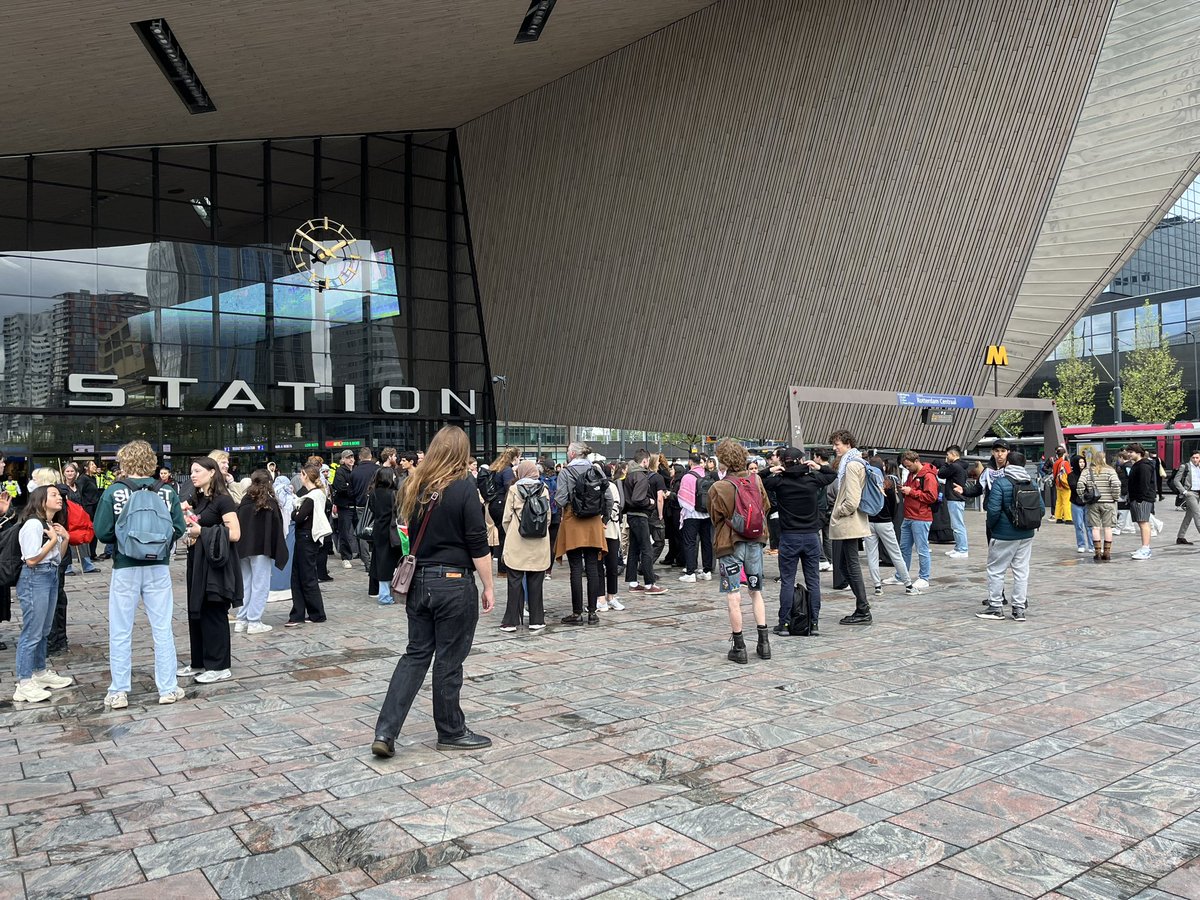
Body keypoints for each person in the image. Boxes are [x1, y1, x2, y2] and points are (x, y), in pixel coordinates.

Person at [372, 425, 495, 758]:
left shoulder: (414, 485)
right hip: (454, 582)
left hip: (420, 583)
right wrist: (489, 585)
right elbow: (477, 542)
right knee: (449, 660)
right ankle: (451, 731)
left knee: (415, 655)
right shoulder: (464, 487)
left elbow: (404, 535)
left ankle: (385, 731)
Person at [93, 440, 187, 709]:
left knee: (121, 629)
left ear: (124, 462)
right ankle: (168, 687)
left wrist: (126, 541)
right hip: (158, 566)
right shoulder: (166, 491)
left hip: (126, 566)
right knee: (162, 627)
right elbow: (178, 528)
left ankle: (119, 690)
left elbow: (102, 532)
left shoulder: (114, 491)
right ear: (152, 462)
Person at [706, 438, 771, 664]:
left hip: (730, 544)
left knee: (733, 594)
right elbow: (765, 506)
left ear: (723, 461)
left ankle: (739, 646)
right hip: (755, 541)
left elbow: (715, 517)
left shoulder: (719, 487)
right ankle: (764, 644)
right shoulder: (756, 479)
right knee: (756, 591)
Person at [179, 457, 242, 684]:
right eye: (191, 471)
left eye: (197, 471)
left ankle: (220, 665)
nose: (193, 475)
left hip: (215, 565)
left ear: (211, 473)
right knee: (196, 610)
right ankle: (200, 662)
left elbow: (234, 534)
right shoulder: (198, 499)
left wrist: (201, 532)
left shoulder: (223, 501)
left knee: (213, 611)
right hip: (197, 561)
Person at [11, 485, 73, 703]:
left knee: (44, 629)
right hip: (34, 577)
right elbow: (31, 559)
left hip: (49, 575)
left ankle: (39, 672)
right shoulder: (32, 525)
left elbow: (56, 558)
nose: (60, 498)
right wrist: (54, 540)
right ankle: (24, 682)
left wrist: (63, 539)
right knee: (32, 631)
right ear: (41, 500)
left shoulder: (48, 525)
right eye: (54, 495)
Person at [764, 447, 834, 636]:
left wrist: (771, 470)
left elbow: (757, 480)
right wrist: (817, 466)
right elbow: (832, 474)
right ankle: (814, 624)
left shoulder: (779, 481)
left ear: (783, 462)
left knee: (787, 581)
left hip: (789, 537)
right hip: (811, 536)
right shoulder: (812, 479)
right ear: (802, 461)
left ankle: (785, 624)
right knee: (813, 581)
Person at [978, 450, 1042, 622]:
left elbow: (993, 510)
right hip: (1026, 534)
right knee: (1021, 571)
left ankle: (995, 607)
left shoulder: (1001, 483)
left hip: (1003, 534)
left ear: (1007, 464)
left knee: (996, 570)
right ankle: (1019, 609)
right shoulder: (1031, 483)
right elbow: (1041, 510)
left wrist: (993, 527)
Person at [554, 442, 609, 624]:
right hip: (593, 522)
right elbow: (607, 497)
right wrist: (604, 519)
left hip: (573, 521)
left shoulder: (565, 472)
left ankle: (577, 613)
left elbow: (561, 500)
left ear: (571, 454)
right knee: (593, 567)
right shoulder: (597, 470)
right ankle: (593, 613)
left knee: (576, 569)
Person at [235, 469, 289, 634]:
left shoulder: (244, 501)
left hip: (242, 547)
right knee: (260, 584)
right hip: (261, 548)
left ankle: (241, 619)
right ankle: (254, 621)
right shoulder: (270, 503)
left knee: (245, 583)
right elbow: (278, 529)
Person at [499, 460, 551, 631]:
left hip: (517, 541)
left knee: (514, 581)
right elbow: (548, 517)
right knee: (536, 581)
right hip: (539, 541)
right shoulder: (543, 489)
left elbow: (506, 518)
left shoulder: (514, 490)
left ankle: (511, 621)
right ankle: (537, 619)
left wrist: (512, 532)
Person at [829, 431, 873, 626]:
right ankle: (862, 607)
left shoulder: (852, 465)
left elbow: (852, 499)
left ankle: (863, 609)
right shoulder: (854, 462)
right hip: (852, 521)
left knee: (850, 565)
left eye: (837, 444)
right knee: (846, 565)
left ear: (847, 444)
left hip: (849, 520)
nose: (834, 448)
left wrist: (838, 511)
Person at [865, 457, 919, 597]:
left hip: (869, 521)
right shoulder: (889, 483)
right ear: (882, 468)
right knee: (896, 553)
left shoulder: (865, 483)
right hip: (885, 521)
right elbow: (895, 506)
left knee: (872, 555)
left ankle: (877, 586)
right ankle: (908, 585)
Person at [289, 464, 332, 625]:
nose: (300, 477)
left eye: (301, 474)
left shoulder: (311, 497)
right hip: (309, 538)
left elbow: (298, 517)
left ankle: (313, 613)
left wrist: (296, 513)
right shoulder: (317, 494)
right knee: (305, 575)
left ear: (305, 476)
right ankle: (309, 612)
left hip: (306, 537)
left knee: (304, 576)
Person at [623, 450, 667, 595]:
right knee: (647, 549)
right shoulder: (641, 476)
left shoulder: (629, 475)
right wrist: (650, 501)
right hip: (640, 515)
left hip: (631, 514)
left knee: (634, 549)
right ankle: (649, 584)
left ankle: (633, 582)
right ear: (645, 461)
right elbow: (638, 498)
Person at [898, 451, 937, 591]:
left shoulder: (928, 476)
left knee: (922, 549)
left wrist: (911, 492)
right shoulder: (911, 474)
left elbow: (932, 497)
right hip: (909, 515)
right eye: (905, 466)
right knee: (904, 548)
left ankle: (924, 577)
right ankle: (901, 574)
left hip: (921, 517)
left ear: (916, 461)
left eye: (908, 466)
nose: (907, 468)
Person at [677, 453, 714, 583]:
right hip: (706, 514)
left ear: (690, 462)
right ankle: (707, 571)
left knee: (690, 543)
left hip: (691, 514)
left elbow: (682, 498)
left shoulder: (687, 477)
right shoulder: (708, 475)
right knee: (707, 542)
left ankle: (690, 572)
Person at [1081, 451, 1121, 561]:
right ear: (1104, 459)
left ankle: (1097, 553)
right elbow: (1116, 484)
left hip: (1093, 503)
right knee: (1108, 528)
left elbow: (1080, 484)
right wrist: (1115, 496)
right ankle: (1107, 553)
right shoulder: (1110, 470)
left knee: (1095, 528)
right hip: (1109, 503)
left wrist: (1083, 497)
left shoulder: (1087, 471)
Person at [370, 466, 401, 606]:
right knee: (391, 561)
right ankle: (385, 594)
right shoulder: (394, 494)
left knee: (381, 560)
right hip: (391, 530)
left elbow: (372, 509)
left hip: (378, 529)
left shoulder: (374, 493)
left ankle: (383, 591)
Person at [59, 463, 98, 575]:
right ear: (63, 473)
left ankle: (87, 565)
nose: (70, 473)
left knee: (82, 539)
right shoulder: (61, 486)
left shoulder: (79, 485)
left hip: (80, 516)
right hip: (67, 516)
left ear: (76, 473)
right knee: (68, 540)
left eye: (72, 471)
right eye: (68, 471)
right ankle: (68, 567)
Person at [486, 448, 519, 575]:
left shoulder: (496, 468)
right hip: (501, 504)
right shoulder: (507, 470)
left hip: (493, 504)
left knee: (501, 534)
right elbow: (509, 487)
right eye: (518, 457)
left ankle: (502, 568)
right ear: (514, 457)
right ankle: (503, 568)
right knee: (505, 535)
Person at [597, 464, 625, 612]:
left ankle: (611, 596)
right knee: (598, 565)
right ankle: (601, 597)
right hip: (599, 531)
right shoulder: (591, 486)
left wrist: (603, 521)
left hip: (610, 530)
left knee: (612, 565)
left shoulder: (611, 486)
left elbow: (616, 506)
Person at [350, 447, 380, 574]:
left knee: (363, 531)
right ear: (371, 456)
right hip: (376, 503)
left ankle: (367, 561)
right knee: (378, 529)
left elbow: (350, 492)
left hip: (361, 504)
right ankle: (377, 561)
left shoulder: (354, 472)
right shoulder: (377, 469)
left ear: (360, 457)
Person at [1126, 443, 1158, 560]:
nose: (1128, 454)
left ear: (1138, 453)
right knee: (1141, 522)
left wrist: (1140, 498)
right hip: (1137, 497)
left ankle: (1146, 548)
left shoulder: (1143, 466)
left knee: (1143, 522)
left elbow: (1144, 483)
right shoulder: (1138, 465)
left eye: (1131, 452)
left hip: (1142, 498)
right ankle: (1144, 547)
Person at [330, 450, 358, 569]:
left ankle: (362, 554)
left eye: (352, 457)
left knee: (361, 531)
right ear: (343, 460)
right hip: (345, 507)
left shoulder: (356, 470)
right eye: (348, 457)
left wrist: (349, 487)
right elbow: (341, 488)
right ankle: (345, 557)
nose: (351, 459)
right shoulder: (340, 471)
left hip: (356, 505)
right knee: (344, 533)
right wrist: (352, 489)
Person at [939, 446, 969, 559]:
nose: (946, 457)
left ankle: (962, 549)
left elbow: (941, 474)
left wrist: (945, 464)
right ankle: (958, 547)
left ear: (953, 455)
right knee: (955, 524)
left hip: (955, 498)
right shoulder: (961, 466)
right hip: (956, 498)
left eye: (948, 455)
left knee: (957, 525)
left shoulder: (954, 466)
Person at [1171, 451, 1200, 546]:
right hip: (1190, 493)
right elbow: (1176, 480)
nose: (1195, 460)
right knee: (1197, 515)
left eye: (1197, 458)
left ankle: (1180, 537)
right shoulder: (1185, 467)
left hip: (1198, 493)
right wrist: (1184, 492)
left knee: (1189, 516)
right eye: (1193, 458)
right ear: (1190, 458)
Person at [539, 461, 561, 579]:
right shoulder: (557, 480)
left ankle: (541, 568)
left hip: (541, 514)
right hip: (556, 513)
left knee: (541, 541)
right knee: (552, 542)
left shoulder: (539, 480)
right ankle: (549, 571)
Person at [1051, 446, 1072, 524]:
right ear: (1064, 454)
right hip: (1065, 485)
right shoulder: (1065, 463)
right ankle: (1068, 518)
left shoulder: (1055, 462)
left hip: (1058, 484)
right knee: (1066, 501)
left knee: (1059, 501)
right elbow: (1069, 474)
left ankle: (1058, 517)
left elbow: (1054, 474)